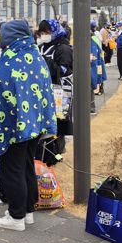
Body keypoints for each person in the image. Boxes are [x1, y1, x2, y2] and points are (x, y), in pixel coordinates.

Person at [0, 20, 56, 231]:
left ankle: (16, 217)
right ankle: (27, 211)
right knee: (26, 166)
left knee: (12, 169)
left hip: (12, 126)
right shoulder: (35, 57)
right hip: (35, 123)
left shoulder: (9, 61)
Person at [36, 19, 72, 160]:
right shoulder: (43, 46)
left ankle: (56, 152)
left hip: (59, 91)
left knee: (58, 123)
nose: (44, 35)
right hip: (44, 89)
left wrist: (44, 60)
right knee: (46, 122)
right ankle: (45, 152)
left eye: (47, 32)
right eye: (42, 33)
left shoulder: (63, 48)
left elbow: (64, 70)